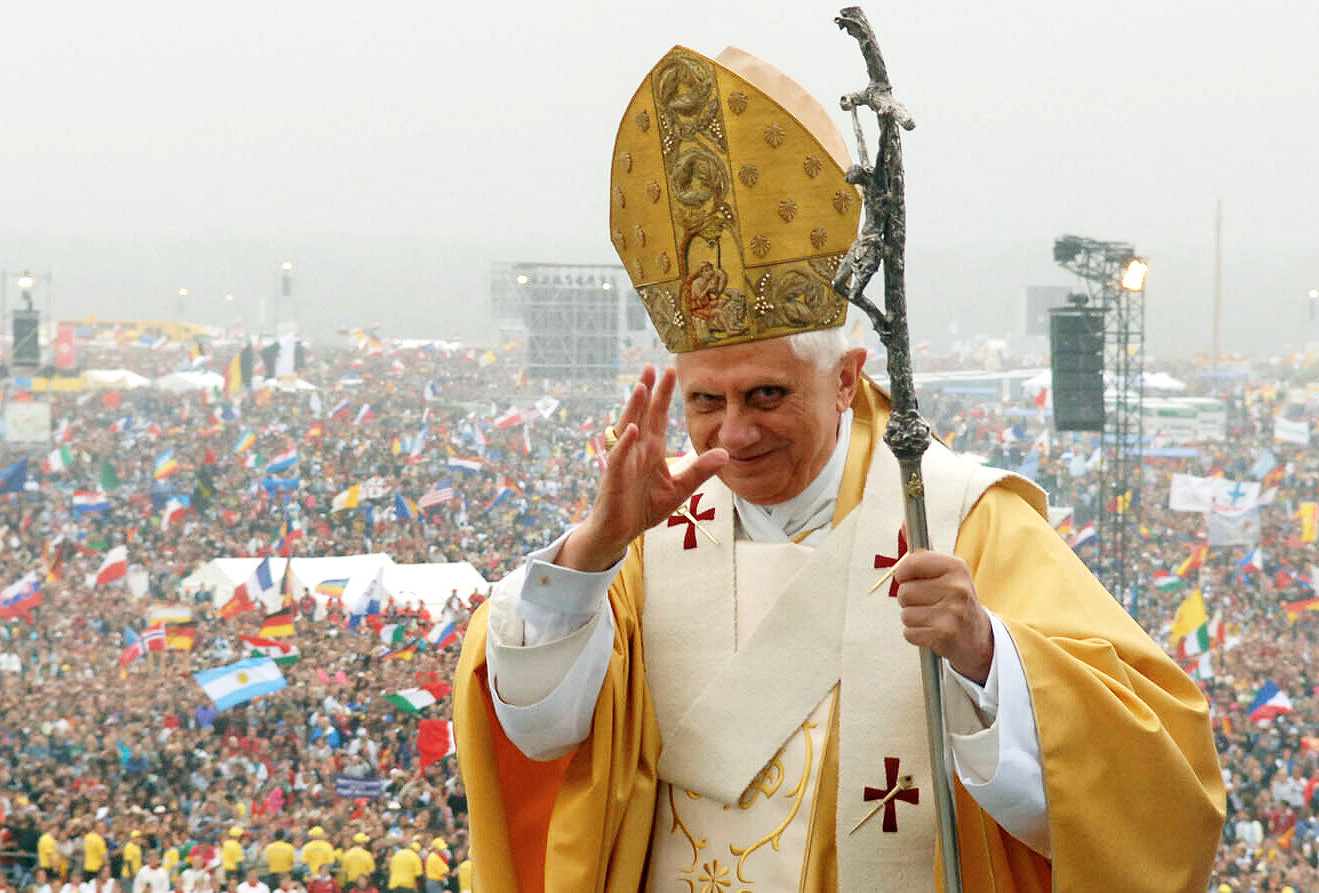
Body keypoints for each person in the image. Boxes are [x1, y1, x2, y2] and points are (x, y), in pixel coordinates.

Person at [453, 44, 1224, 892]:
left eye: (767, 394)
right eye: (706, 401)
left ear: (847, 380)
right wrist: (591, 553)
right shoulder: (643, 533)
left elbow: (1158, 787)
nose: (734, 433)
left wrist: (983, 653)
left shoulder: (963, 520)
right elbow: (539, 733)